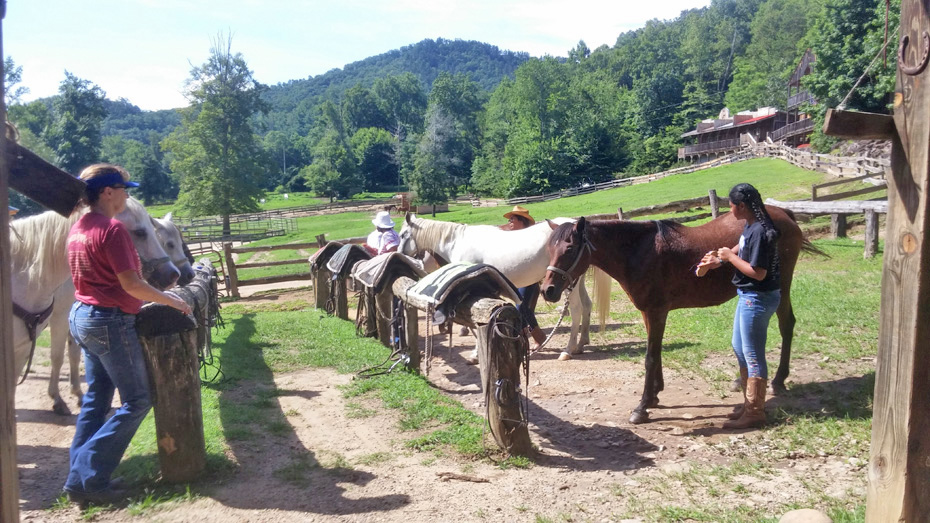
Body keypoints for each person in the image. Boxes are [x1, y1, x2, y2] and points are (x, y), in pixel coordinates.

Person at [64, 164, 192, 506]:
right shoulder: (112, 230)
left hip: (82, 315)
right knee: (137, 400)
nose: (127, 195)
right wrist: (170, 300)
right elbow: (132, 284)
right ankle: (85, 477)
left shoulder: (79, 227)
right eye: (123, 188)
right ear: (108, 192)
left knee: (96, 402)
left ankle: (85, 481)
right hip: (109, 320)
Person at [698, 183, 781, 429]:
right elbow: (738, 249)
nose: (730, 210)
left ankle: (755, 413)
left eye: (731, 206)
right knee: (739, 346)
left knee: (753, 354)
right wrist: (718, 260)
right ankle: (749, 405)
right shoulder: (751, 226)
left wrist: (731, 258)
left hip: (757, 296)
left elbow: (757, 273)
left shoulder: (759, 232)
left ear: (741, 206)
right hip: (749, 296)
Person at [499, 206, 547, 351]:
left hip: (530, 279)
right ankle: (526, 340)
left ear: (522, 221)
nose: (509, 221)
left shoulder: (530, 239)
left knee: (522, 309)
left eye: (512, 218)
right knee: (524, 311)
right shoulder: (510, 238)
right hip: (518, 280)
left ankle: (537, 338)